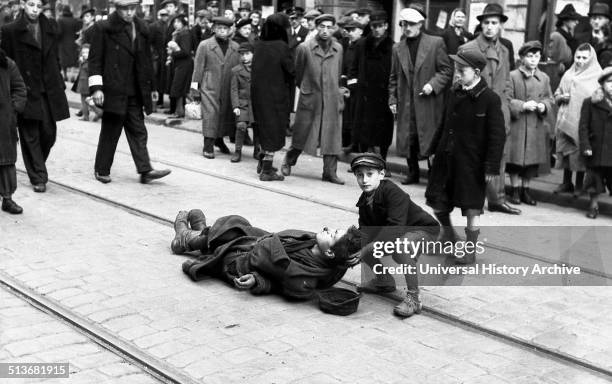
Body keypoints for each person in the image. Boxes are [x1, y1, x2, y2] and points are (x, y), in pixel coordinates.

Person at [425, 47, 506, 265]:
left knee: (471, 208)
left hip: (471, 163)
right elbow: (443, 125)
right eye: (456, 69)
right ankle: (448, 235)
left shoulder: (490, 99)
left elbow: (497, 136)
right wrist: (433, 150)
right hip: (446, 158)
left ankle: (470, 250)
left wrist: (491, 167)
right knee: (437, 200)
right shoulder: (453, 93)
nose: (457, 74)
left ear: (477, 73)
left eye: (462, 70)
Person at [172, 210, 362, 300]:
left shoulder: (303, 278)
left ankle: (185, 238)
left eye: (333, 235)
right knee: (237, 224)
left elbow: (279, 286)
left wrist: (256, 281)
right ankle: (200, 233)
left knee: (228, 236)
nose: (328, 229)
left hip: (240, 262)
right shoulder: (314, 243)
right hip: (256, 243)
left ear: (329, 252)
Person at [88, 0, 171, 184]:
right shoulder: (103, 28)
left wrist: (152, 88)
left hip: (135, 89)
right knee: (111, 130)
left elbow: (147, 60)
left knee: (138, 130)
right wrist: (96, 88)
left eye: (132, 9)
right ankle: (101, 169)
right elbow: (94, 60)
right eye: (125, 9)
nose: (129, 13)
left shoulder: (141, 28)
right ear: (117, 9)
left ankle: (145, 170)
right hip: (113, 88)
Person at [350, 153, 439, 318]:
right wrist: (350, 246)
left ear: (382, 174)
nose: (364, 180)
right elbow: (366, 231)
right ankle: (384, 281)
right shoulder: (364, 200)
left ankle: (414, 298)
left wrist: (368, 247)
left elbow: (394, 229)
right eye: (360, 175)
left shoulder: (392, 192)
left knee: (400, 248)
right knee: (360, 244)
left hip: (424, 230)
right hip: (399, 232)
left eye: (370, 174)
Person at [1, 0, 70, 193]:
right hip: (25, 89)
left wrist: (59, 82)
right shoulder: (11, 30)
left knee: (49, 133)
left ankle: (36, 163)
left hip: (48, 89)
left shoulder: (50, 27)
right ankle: (38, 176)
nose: (35, 9)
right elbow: (5, 63)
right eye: (31, 4)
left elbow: (55, 57)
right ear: (23, 4)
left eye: (39, 6)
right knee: (29, 134)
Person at [461, 3, 519, 215]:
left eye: (494, 23)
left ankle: (496, 199)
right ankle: (474, 199)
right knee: (475, 154)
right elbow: (458, 84)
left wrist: (507, 105)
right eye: (486, 22)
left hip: (499, 110)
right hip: (475, 110)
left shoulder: (505, 48)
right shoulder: (468, 49)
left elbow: (506, 81)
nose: (490, 27)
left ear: (501, 25)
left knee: (498, 153)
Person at [388, 8, 452, 185]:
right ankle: (413, 172)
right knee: (410, 138)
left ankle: (434, 174)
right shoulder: (397, 48)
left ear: (420, 24)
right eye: (404, 24)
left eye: (411, 24)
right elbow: (393, 77)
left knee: (430, 138)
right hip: (406, 102)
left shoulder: (435, 43)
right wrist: (392, 99)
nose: (407, 27)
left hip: (428, 102)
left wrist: (433, 84)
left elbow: (446, 70)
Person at [282, 14, 348, 185]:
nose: (325, 31)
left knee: (331, 135)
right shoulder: (304, 48)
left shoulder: (338, 48)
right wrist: (307, 89)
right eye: (322, 27)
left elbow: (338, 70)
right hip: (311, 97)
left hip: (332, 98)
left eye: (329, 27)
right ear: (316, 27)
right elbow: (298, 73)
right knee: (302, 133)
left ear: (334, 29)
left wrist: (336, 91)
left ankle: (330, 172)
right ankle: (289, 161)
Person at [507, 41, 554, 206]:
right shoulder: (513, 76)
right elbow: (507, 98)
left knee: (531, 162)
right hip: (518, 124)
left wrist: (544, 106)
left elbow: (550, 98)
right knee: (515, 160)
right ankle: (514, 190)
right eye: (529, 56)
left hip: (535, 124)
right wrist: (522, 105)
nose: (533, 59)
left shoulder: (544, 78)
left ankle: (526, 190)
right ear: (522, 58)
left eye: (536, 56)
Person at [251, 13, 295, 181]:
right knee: (274, 131)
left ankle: (263, 162)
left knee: (264, 129)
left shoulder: (259, 44)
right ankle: (267, 171)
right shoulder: (281, 46)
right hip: (275, 97)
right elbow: (291, 70)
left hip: (259, 96)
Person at [554, 44, 601, 196]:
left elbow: (599, 99)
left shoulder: (596, 76)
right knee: (566, 151)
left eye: (584, 58)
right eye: (578, 57)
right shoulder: (568, 73)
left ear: (591, 58)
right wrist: (561, 97)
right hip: (564, 118)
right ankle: (566, 182)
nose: (580, 61)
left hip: (583, 122)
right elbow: (557, 93)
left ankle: (580, 185)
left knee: (580, 153)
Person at [191, 16, 240, 158]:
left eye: (225, 28)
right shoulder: (205, 45)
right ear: (213, 29)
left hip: (227, 87)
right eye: (219, 28)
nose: (222, 31)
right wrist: (195, 90)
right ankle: (208, 144)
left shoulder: (235, 47)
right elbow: (197, 68)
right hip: (209, 86)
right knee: (211, 115)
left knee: (225, 115)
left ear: (230, 30)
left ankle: (219, 140)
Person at [350, 11, 394, 161]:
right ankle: (363, 160)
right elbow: (353, 69)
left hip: (383, 95)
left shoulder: (393, 47)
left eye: (380, 26)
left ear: (386, 26)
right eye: (374, 26)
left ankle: (382, 161)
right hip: (364, 95)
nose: (376, 29)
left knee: (383, 131)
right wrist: (355, 88)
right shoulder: (362, 44)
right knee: (364, 129)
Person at [580, 66, 612, 219]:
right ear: (602, 84)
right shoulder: (590, 102)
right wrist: (585, 145)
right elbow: (583, 126)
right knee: (594, 178)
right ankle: (593, 205)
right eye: (610, 82)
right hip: (596, 147)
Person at [0, 48, 27, 214]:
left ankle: (7, 198)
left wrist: (13, 109)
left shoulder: (7, 64)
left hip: (3, 121)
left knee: (5, 161)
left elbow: (19, 88)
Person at [340, 19, 364, 153]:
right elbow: (346, 63)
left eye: (353, 30)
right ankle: (349, 142)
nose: (350, 33)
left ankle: (357, 145)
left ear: (360, 31)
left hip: (358, 86)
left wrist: (354, 80)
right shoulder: (349, 44)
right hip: (348, 85)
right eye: (348, 30)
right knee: (348, 115)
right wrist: (344, 76)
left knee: (356, 116)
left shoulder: (362, 44)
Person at [230, 42, 254, 163]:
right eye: (242, 54)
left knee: (259, 126)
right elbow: (234, 89)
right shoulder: (236, 70)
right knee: (241, 126)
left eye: (247, 54)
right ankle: (237, 151)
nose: (244, 57)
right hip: (243, 104)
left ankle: (258, 150)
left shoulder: (259, 69)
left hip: (256, 104)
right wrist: (235, 106)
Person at [167, 14, 193, 118]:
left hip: (184, 64)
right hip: (179, 64)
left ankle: (179, 112)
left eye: (178, 22)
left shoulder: (185, 34)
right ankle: (179, 111)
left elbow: (185, 51)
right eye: (174, 22)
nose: (175, 24)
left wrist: (172, 53)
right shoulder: (178, 33)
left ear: (183, 23)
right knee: (178, 88)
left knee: (179, 88)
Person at [549, 4, 582, 75]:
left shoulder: (570, 37)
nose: (577, 22)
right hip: (558, 76)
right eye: (573, 19)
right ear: (565, 20)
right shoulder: (556, 36)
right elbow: (551, 61)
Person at [73, 44, 102, 121]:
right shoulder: (85, 61)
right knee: (87, 100)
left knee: (85, 101)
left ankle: (92, 114)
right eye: (83, 52)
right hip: (84, 83)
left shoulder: (89, 63)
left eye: (87, 52)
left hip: (85, 84)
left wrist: (83, 61)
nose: (84, 54)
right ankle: (91, 113)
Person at [150, 9, 169, 108]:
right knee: (156, 78)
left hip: (165, 55)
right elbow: (150, 42)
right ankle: (156, 101)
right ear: (159, 15)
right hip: (157, 56)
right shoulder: (154, 26)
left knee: (163, 78)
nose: (164, 17)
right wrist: (154, 54)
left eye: (166, 15)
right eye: (162, 15)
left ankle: (160, 100)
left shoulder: (169, 25)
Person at [57, 5, 80, 81]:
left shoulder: (60, 20)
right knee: (73, 59)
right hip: (73, 43)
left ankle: (65, 75)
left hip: (63, 43)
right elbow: (78, 32)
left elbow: (59, 32)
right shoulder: (74, 20)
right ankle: (73, 76)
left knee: (64, 60)